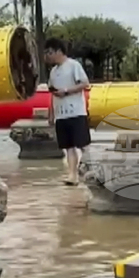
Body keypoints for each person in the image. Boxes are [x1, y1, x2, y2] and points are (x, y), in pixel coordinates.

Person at [45, 37, 91, 185]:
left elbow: (84, 83)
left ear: (59, 51)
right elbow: (52, 93)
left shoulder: (73, 65)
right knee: (68, 147)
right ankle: (72, 176)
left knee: (83, 145)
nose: (48, 56)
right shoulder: (53, 72)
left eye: (50, 52)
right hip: (61, 114)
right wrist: (51, 114)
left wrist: (66, 91)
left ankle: (92, 170)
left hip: (76, 112)